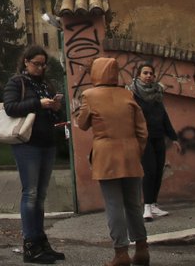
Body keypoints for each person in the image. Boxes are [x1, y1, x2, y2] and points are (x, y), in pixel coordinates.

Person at [74, 57, 149, 266]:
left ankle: (121, 253)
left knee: (114, 204)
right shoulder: (128, 94)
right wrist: (137, 150)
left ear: (96, 73)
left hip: (106, 155)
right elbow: (142, 130)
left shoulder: (89, 95)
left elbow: (82, 124)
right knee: (134, 204)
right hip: (131, 153)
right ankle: (142, 249)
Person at [2, 45, 65, 264]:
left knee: (41, 196)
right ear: (26, 62)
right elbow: (10, 107)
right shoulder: (17, 82)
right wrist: (38, 104)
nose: (40, 67)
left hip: (47, 143)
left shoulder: (46, 85)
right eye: (36, 63)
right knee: (30, 193)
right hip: (27, 144)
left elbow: (57, 114)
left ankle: (41, 242)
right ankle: (30, 245)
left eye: (43, 64)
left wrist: (55, 106)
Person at [127, 62, 181, 221]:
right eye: (145, 73)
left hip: (158, 136)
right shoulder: (132, 93)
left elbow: (164, 116)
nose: (149, 76)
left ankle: (154, 204)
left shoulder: (157, 93)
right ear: (139, 75)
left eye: (151, 73)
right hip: (143, 138)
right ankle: (147, 207)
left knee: (158, 171)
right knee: (149, 171)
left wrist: (173, 137)